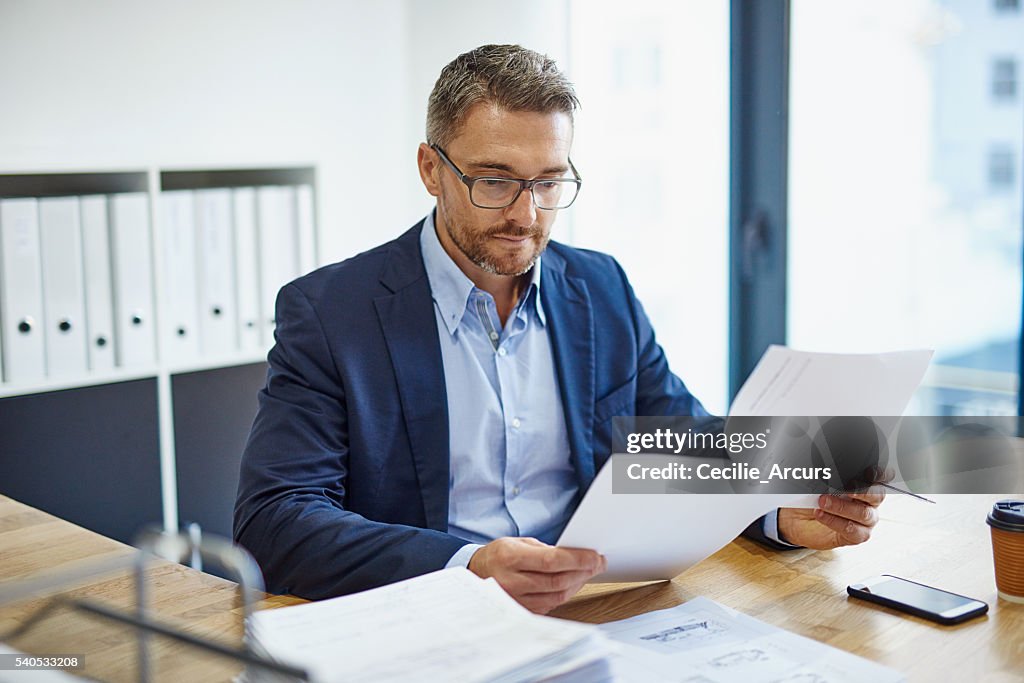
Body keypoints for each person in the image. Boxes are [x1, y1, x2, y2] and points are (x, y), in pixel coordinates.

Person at [233, 44, 884, 614]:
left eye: (549, 181)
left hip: (593, 609)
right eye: (495, 180)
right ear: (432, 169)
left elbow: (679, 442)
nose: (526, 214)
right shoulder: (330, 313)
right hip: (432, 626)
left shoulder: (600, 289)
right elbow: (275, 521)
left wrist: (776, 510)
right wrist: (467, 565)